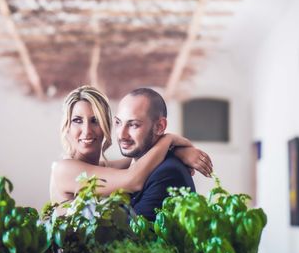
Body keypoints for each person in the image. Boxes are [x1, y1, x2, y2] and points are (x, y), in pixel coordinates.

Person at [49, 85, 212, 204]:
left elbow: (142, 158)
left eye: (95, 121)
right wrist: (169, 139)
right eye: (77, 121)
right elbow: (133, 180)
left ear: (107, 125)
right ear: (67, 127)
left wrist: (179, 152)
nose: (87, 131)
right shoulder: (64, 170)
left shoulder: (105, 168)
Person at [115, 87, 207, 220]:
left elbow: (129, 235)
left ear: (159, 127)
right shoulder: (133, 164)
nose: (122, 135)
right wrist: (170, 142)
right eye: (118, 122)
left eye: (133, 125)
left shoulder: (168, 173)